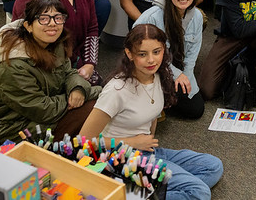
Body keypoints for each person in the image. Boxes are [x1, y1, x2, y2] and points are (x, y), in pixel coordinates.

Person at [80, 25, 223, 199]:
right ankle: (133, 191)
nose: (151, 60)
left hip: (147, 150)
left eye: (157, 52)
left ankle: (136, 192)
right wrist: (132, 142)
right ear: (129, 54)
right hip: (120, 156)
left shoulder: (158, 75)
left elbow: (153, 116)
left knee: (213, 166)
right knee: (199, 192)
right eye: (142, 54)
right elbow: (84, 141)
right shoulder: (116, 90)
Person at [0, 0, 101, 143]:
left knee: (100, 107)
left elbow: (69, 72)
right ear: (28, 26)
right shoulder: (13, 67)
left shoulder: (54, 43)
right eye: (43, 19)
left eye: (58, 18)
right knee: (95, 109)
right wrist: (95, 91)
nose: (52, 24)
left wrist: (77, 88)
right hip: (16, 127)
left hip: (48, 105)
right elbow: (45, 111)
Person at [134, 0, 205, 119]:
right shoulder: (152, 17)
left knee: (196, 109)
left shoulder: (197, 16)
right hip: (151, 68)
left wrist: (185, 75)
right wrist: (177, 75)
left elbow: (193, 52)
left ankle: (163, 98)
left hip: (176, 68)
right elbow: (136, 53)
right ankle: (154, 97)